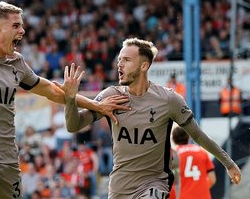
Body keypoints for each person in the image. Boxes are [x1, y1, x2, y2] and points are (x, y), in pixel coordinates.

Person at [0, 1, 129, 199]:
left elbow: (54, 91)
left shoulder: (17, 63)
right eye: (16, 25)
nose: (22, 31)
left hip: (7, 157)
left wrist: (97, 105)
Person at [61, 38, 242, 199]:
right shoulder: (111, 96)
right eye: (119, 60)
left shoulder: (169, 100)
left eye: (126, 60)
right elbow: (74, 125)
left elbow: (199, 135)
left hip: (154, 184)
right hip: (119, 187)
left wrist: (229, 163)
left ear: (144, 66)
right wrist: (70, 98)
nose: (119, 65)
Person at [172, 126, 216, 199]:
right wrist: (201, 188)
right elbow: (212, 179)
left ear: (174, 139)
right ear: (188, 137)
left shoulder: (173, 155)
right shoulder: (202, 151)